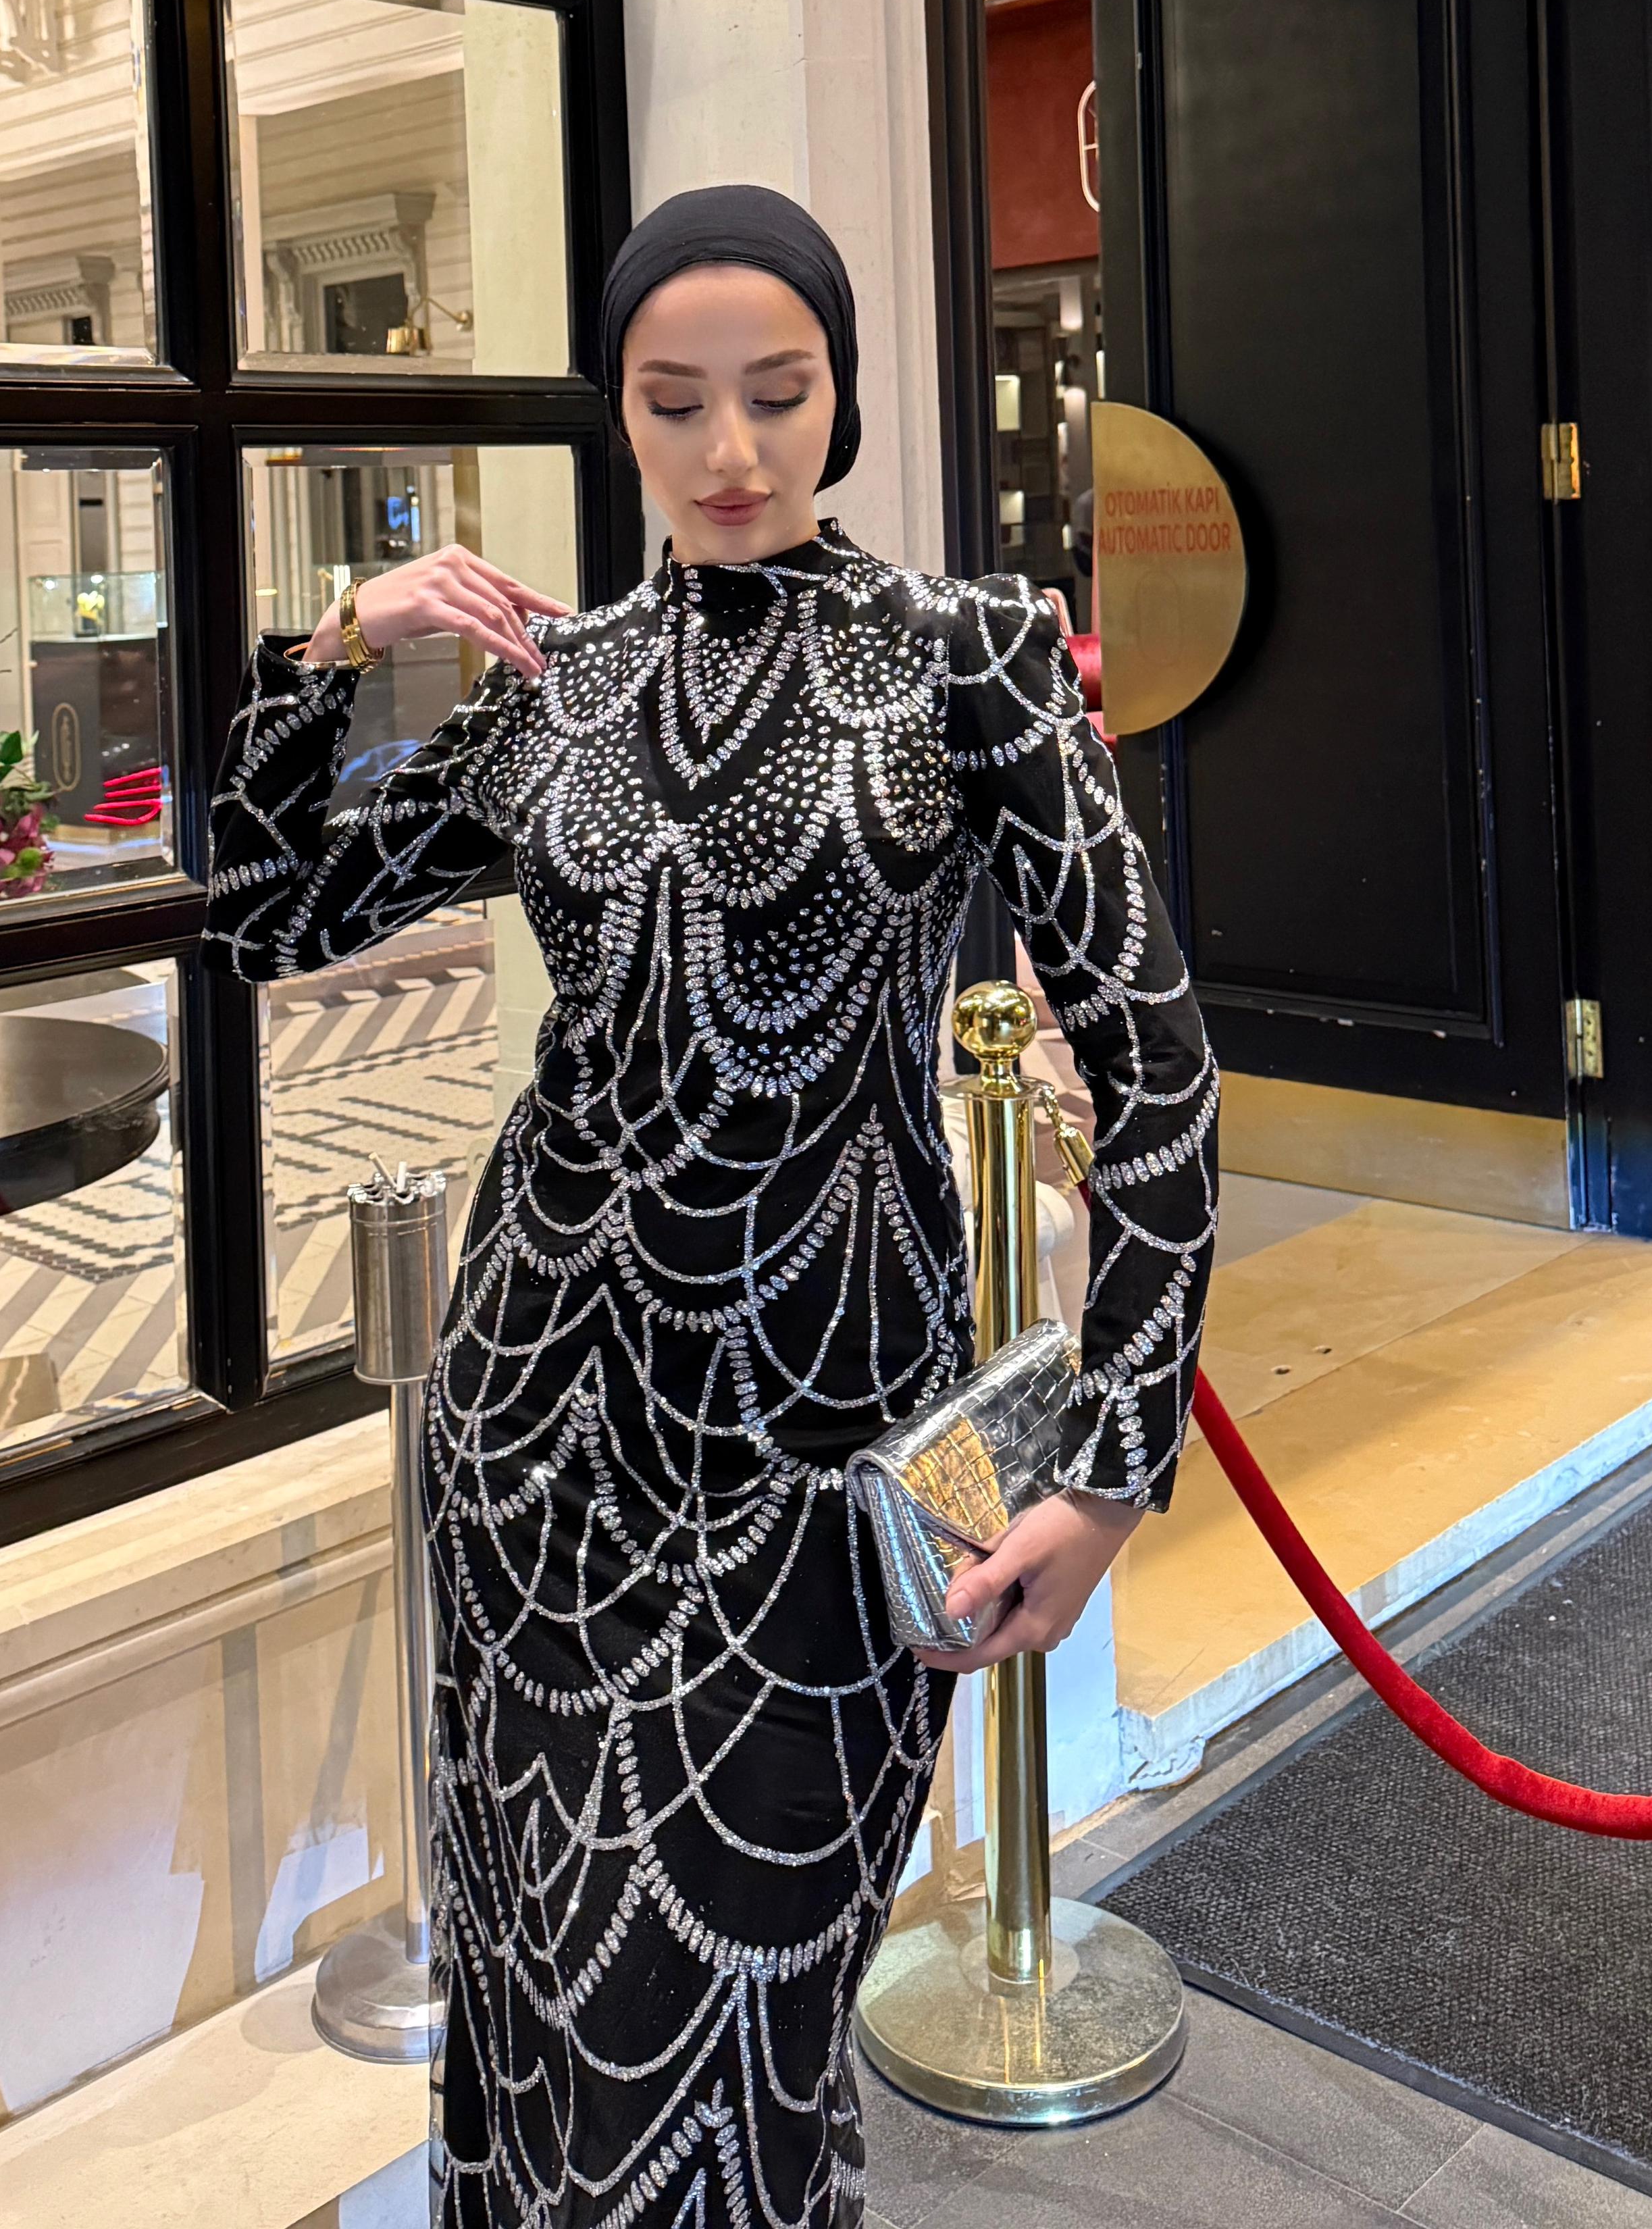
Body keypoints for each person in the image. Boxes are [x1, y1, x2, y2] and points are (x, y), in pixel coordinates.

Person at [205, 184, 1216, 2229]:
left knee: (752, 2016)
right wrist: (331, 644)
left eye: (780, 391)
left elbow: (1161, 1075)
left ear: (845, 392)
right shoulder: (555, 682)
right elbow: (265, 913)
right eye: (675, 403)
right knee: (538, 1993)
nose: (732, 449)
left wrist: (1111, 1471)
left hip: (836, 1443)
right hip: (534, 1438)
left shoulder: (972, 659)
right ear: (622, 415)